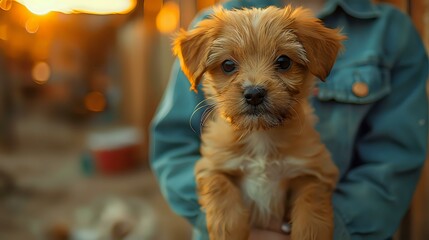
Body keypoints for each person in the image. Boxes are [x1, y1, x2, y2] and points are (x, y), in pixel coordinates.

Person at [150, 0, 429, 239]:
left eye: (283, 63)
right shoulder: (213, 19)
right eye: (228, 66)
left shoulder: (393, 32)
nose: (254, 86)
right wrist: (220, 208)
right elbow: (172, 150)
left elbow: (393, 163)